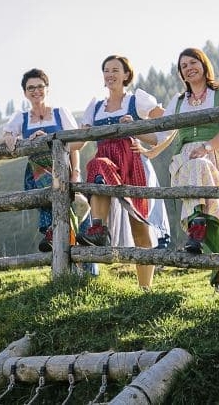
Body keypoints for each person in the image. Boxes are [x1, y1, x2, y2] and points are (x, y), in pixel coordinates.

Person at [162, 47, 219, 293]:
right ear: (181, 73)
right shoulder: (178, 102)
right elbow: (161, 133)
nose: (189, 68)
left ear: (204, 64)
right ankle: (198, 227)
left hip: (217, 157)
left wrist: (206, 147)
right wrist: (135, 134)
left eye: (193, 62)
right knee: (196, 169)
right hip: (185, 161)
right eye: (184, 66)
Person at [76, 54, 164, 290]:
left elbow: (163, 133)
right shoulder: (94, 108)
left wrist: (137, 131)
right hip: (108, 165)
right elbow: (77, 143)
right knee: (97, 166)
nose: (110, 74)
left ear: (126, 75)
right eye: (106, 70)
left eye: (116, 70)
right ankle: (98, 229)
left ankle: (145, 287)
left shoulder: (138, 101)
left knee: (139, 226)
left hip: (133, 163)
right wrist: (49, 141)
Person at [0, 69, 82, 252]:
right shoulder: (20, 117)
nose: (36, 91)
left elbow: (76, 145)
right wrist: (10, 138)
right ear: (25, 93)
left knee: (66, 204)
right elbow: (4, 137)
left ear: (47, 89)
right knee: (49, 190)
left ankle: (54, 234)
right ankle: (54, 234)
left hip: (62, 169)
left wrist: (76, 172)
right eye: (31, 88)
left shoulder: (61, 113)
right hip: (37, 172)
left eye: (40, 86)